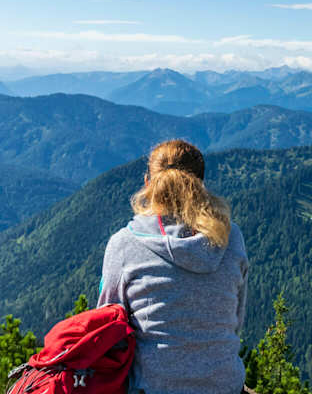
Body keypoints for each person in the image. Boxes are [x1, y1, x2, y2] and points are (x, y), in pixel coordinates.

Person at [99, 139, 250, 394]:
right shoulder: (230, 237)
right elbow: (236, 319)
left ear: (149, 183)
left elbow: (108, 328)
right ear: (200, 185)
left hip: (152, 387)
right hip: (225, 386)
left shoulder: (124, 243)